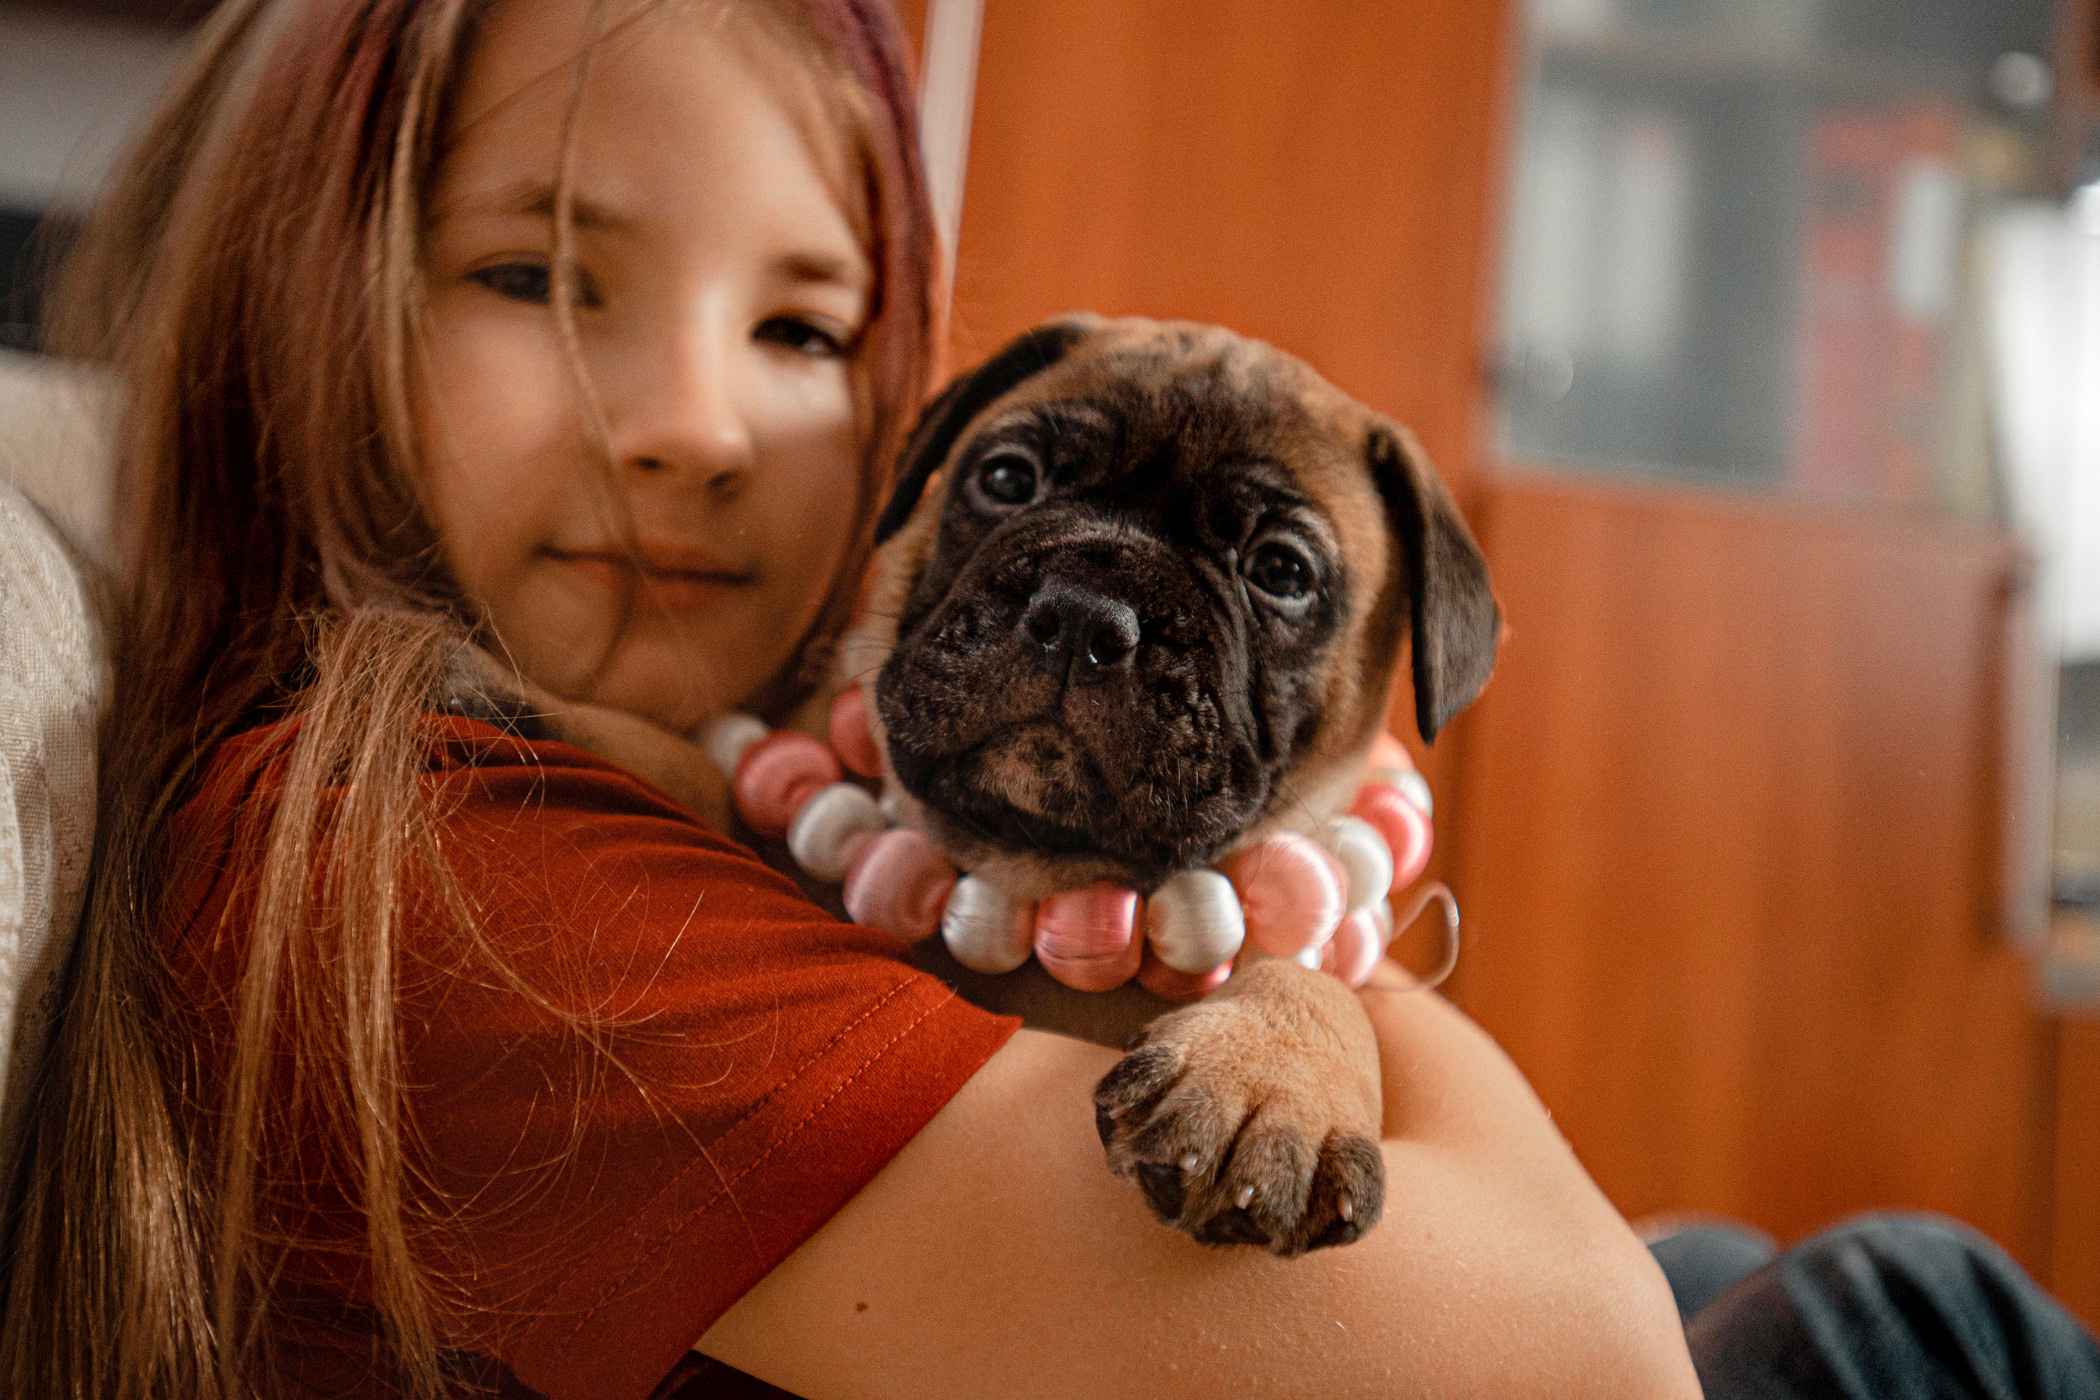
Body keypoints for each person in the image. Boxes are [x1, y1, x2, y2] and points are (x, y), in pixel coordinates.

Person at [0, 0, 2074, 1396]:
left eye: (807, 324)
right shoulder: (428, 878)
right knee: (1915, 1300)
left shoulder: (665, 775)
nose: (700, 429)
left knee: (1743, 1245)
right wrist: (1297, 970)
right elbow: (1581, 1362)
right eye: (539, 274)